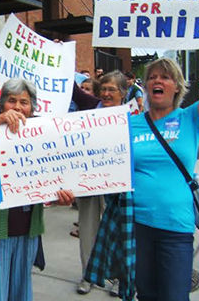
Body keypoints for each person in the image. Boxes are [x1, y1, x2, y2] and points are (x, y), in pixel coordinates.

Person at [130, 0, 199, 301]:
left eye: (165, 76)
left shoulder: (191, 118)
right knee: (146, 295)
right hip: (137, 225)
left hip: (175, 228)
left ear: (177, 87)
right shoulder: (130, 123)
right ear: (146, 87)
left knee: (174, 296)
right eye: (152, 77)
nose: (157, 80)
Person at [0, 78, 75, 301]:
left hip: (28, 231)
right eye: (12, 101)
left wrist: (59, 197)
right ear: (2, 105)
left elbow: (52, 182)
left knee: (21, 290)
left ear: (32, 108)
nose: (18, 107)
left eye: (24, 102)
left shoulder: (44, 137)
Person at [76, 70, 127, 296]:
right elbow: (70, 89)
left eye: (112, 89)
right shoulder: (88, 111)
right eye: (103, 89)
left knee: (117, 231)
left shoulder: (133, 117)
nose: (106, 94)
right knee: (87, 228)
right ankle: (88, 275)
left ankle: (117, 276)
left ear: (123, 93)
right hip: (88, 181)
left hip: (116, 184)